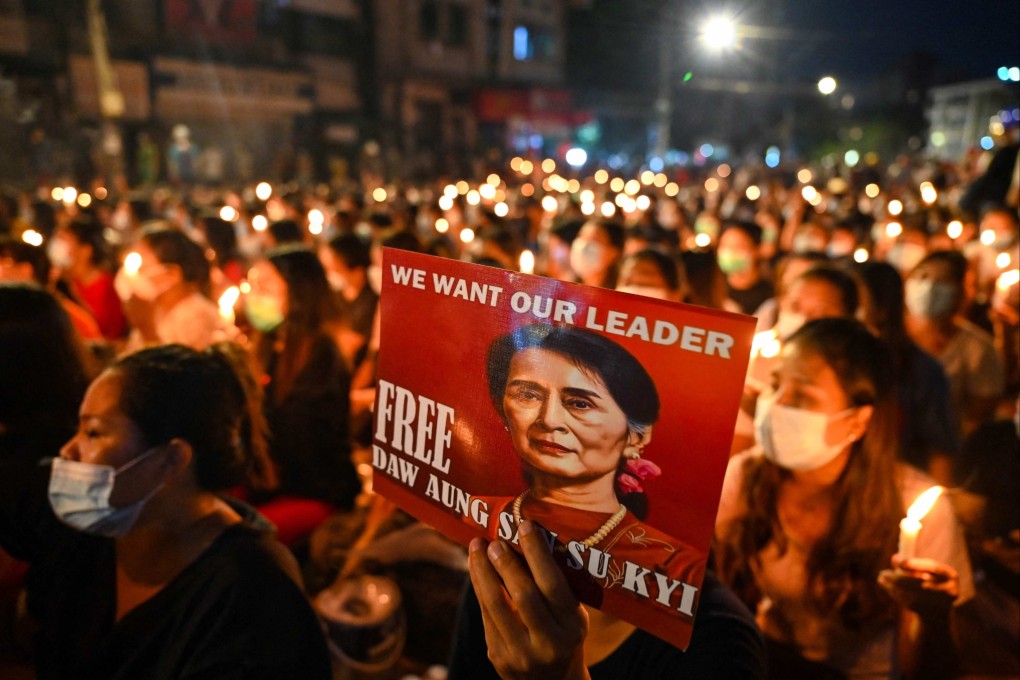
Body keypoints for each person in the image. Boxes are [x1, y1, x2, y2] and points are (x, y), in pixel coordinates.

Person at [0, 343, 332, 679]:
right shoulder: (85, 532)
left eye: (93, 432)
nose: (67, 450)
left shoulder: (252, 595)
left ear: (171, 460)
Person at [715, 318, 974, 679]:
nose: (777, 404)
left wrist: (932, 615)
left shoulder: (915, 507)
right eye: (775, 385)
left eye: (803, 396)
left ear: (858, 420)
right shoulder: (745, 476)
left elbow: (932, 667)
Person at [478, 325, 703, 599]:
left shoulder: (677, 571)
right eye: (528, 395)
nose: (549, 420)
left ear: (636, 436)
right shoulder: (475, 515)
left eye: (579, 404)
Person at [246, 245, 359, 512]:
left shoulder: (322, 353)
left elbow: (305, 435)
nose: (256, 296)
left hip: (315, 486)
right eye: (254, 285)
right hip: (269, 479)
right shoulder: (272, 344)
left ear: (298, 292)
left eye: (266, 287)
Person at [858, 261, 959, 483]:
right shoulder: (830, 364)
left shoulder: (921, 371)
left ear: (882, 309)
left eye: (856, 302)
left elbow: (940, 449)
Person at [904, 250, 1004, 435]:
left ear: (961, 290)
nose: (930, 286)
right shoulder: (890, 336)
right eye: (923, 276)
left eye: (943, 281)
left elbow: (978, 419)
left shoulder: (978, 349)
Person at [118, 226, 227, 352]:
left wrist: (147, 330)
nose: (131, 275)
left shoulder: (196, 318)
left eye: (140, 265)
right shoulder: (155, 309)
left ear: (171, 275)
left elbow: (176, 369)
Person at [50, 216, 127, 341]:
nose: (57, 246)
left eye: (64, 240)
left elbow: (111, 335)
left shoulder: (109, 287)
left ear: (86, 250)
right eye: (57, 239)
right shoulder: (59, 283)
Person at [716, 221, 774, 316]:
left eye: (738, 246)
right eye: (724, 245)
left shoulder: (770, 296)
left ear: (757, 249)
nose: (729, 252)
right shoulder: (712, 285)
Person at [569, 219, 624, 288]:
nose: (584, 246)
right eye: (581, 237)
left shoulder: (620, 292)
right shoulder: (564, 291)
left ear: (613, 253)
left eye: (595, 239)